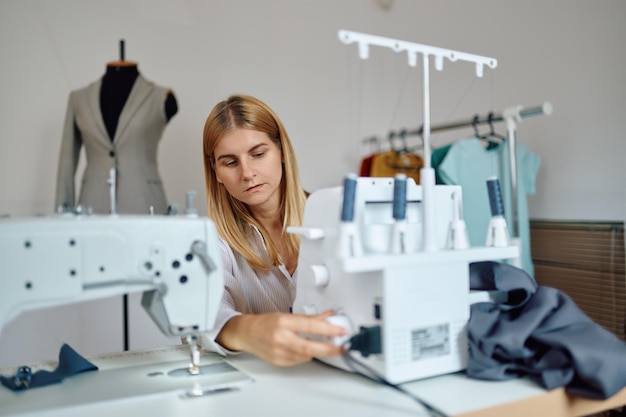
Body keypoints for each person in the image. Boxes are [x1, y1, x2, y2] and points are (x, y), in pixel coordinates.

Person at [199, 94, 347, 366]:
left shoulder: (338, 218)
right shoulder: (212, 242)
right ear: (216, 172)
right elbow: (205, 313)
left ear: (281, 152)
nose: (247, 173)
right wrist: (250, 331)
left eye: (257, 154)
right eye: (230, 162)